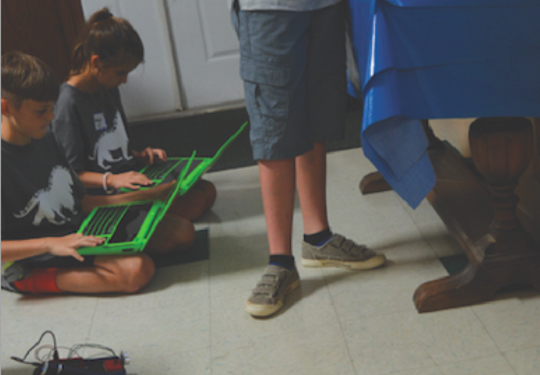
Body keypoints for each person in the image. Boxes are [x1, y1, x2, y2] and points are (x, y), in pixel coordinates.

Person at [229, 0, 387, 317]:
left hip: (326, 5)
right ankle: (280, 261)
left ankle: (318, 237)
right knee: (275, 129)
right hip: (269, 9)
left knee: (317, 118)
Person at [1, 51, 194, 295]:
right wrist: (51, 244)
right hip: (41, 251)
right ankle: (24, 279)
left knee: (182, 233)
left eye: (51, 108)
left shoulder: (46, 137)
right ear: (6, 108)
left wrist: (144, 197)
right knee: (136, 270)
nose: (51, 117)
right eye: (41, 111)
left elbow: (84, 202)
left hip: (82, 229)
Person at [51, 8, 216, 222]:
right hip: (105, 192)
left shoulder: (107, 87)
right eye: (121, 73)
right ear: (96, 62)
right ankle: (149, 220)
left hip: (130, 178)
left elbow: (116, 146)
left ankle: (155, 215)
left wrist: (139, 155)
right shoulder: (67, 104)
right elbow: (73, 175)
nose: (124, 81)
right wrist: (113, 180)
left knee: (206, 190)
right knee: (185, 223)